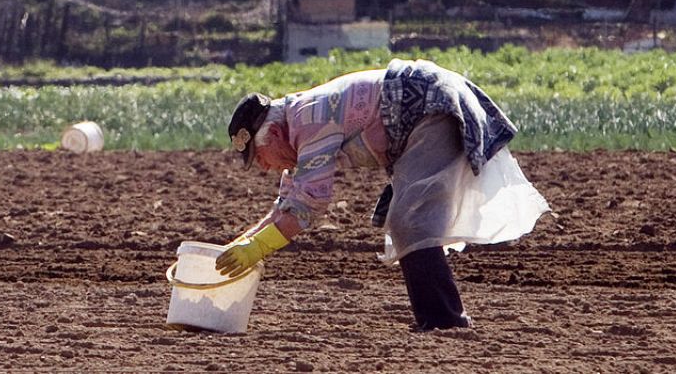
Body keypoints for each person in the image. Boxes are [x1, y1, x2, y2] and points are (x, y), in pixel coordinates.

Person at [216, 58, 549, 331]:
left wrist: (257, 249)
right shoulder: (295, 125)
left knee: (412, 221)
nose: (264, 167)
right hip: (419, 113)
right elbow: (287, 204)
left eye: (259, 158)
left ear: (272, 134)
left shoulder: (309, 121)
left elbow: (309, 204)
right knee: (409, 220)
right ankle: (439, 319)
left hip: (430, 109)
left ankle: (444, 321)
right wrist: (240, 245)